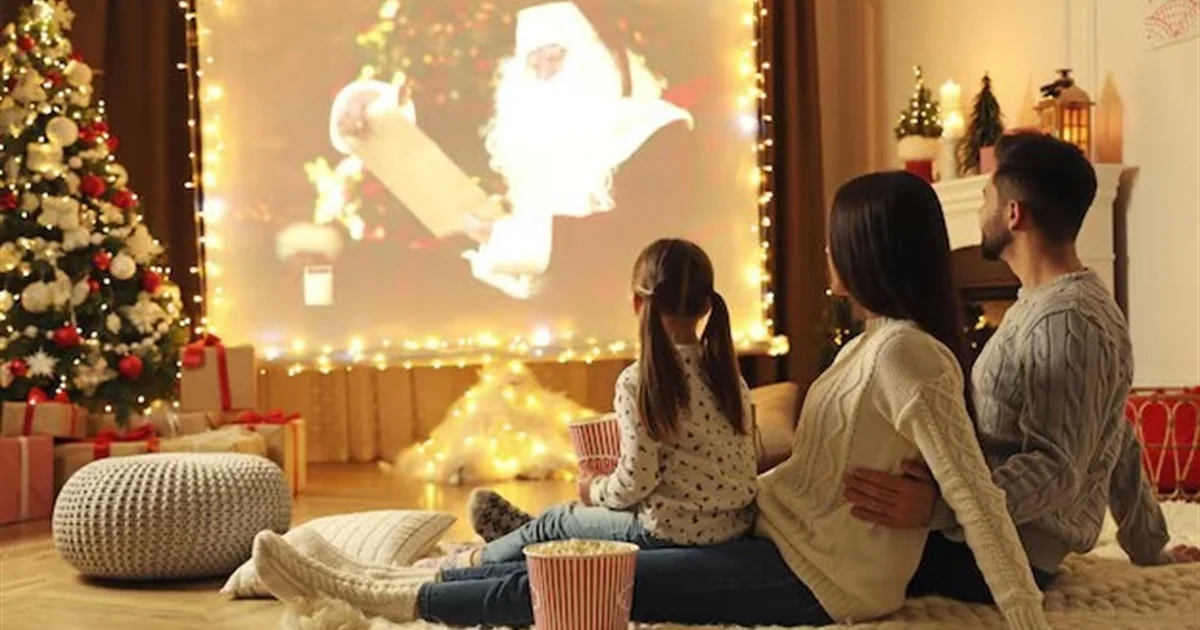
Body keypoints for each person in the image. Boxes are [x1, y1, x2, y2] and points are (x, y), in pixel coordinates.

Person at [250, 172, 1052, 630]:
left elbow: (975, 495)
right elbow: (819, 476)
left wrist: (1026, 615)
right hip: (775, 534)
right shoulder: (871, 346)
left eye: (835, 241)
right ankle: (402, 572)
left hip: (815, 578)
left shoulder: (909, 357)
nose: (825, 253)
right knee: (568, 539)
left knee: (577, 589)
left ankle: (382, 595)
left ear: (867, 251)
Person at [842, 132, 1200, 604]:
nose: (979, 210)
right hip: (981, 532)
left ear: (1014, 213)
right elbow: (1116, 433)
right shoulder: (1053, 306)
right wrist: (1149, 546)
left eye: (985, 197)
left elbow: (1056, 467)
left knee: (821, 549)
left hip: (998, 553)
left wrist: (940, 506)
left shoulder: (1067, 319)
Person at [409, 238, 757, 569]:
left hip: (666, 532)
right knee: (570, 520)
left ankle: (467, 562)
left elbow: (636, 483)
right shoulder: (729, 378)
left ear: (637, 304)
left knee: (559, 518)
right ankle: (525, 534)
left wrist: (595, 489)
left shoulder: (638, 382)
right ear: (707, 306)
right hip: (731, 528)